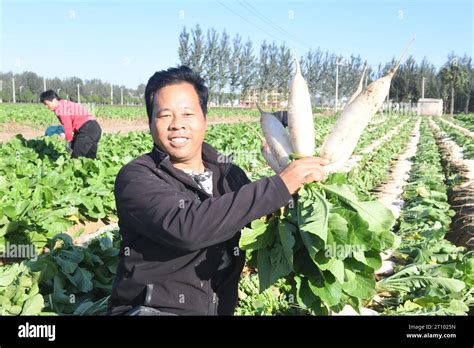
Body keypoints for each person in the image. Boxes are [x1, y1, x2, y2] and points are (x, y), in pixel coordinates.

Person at [108, 66, 328, 316]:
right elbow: (187, 227)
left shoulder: (230, 174)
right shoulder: (137, 177)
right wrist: (280, 184)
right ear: (150, 123)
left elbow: (254, 221)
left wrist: (299, 206)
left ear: (204, 119)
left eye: (188, 113)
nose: (177, 125)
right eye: (165, 115)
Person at [40, 90, 102, 159]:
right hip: (95, 128)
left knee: (75, 159)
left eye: (46, 104)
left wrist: (68, 141)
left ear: (54, 100)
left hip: (87, 129)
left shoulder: (61, 108)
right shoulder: (65, 103)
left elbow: (67, 126)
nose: (46, 106)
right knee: (90, 159)